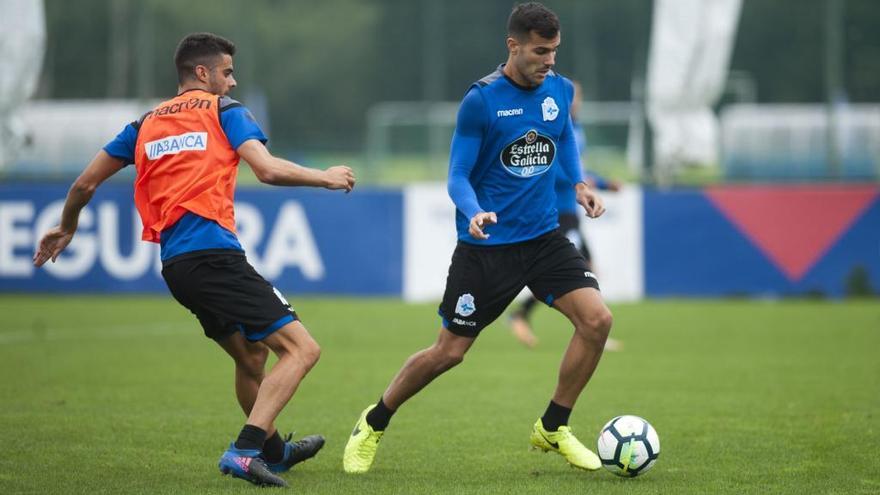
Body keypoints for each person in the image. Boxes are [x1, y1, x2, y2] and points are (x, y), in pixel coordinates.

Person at [33, 32, 355, 487]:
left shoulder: (144, 124)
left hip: (177, 267)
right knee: (303, 349)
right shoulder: (225, 112)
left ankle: (275, 451)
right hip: (215, 257)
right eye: (227, 72)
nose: (233, 81)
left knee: (251, 356)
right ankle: (245, 450)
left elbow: (84, 184)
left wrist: (67, 226)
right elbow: (265, 168)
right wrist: (325, 177)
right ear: (202, 73)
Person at [343, 2, 613, 474]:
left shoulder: (559, 90)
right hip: (487, 248)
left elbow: (564, 136)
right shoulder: (482, 100)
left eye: (554, 51)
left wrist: (579, 183)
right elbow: (458, 175)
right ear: (513, 46)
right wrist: (472, 212)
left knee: (597, 321)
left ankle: (553, 426)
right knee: (449, 352)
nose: (549, 61)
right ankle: (374, 420)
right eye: (540, 51)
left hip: (544, 239)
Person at [508, 80, 623, 350]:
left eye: (578, 97)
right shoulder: (551, 125)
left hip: (571, 211)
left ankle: (587, 325)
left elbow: (577, 166)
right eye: (572, 98)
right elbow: (553, 169)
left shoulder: (575, 127)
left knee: (583, 268)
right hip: (557, 210)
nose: (575, 102)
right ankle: (589, 327)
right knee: (575, 269)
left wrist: (602, 182)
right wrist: (586, 183)